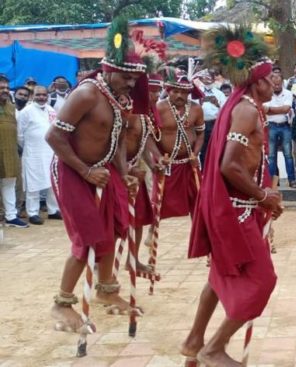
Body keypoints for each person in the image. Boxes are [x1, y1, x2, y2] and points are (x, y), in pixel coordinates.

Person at [182, 25, 282, 366]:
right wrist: (262, 196)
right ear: (258, 82)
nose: (276, 83)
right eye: (272, 78)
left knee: (219, 275)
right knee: (263, 281)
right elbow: (229, 166)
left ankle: (194, 340)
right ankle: (213, 348)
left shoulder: (245, 106)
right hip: (237, 209)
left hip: (240, 206)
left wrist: (262, 197)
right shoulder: (247, 110)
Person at [47, 18, 151, 332]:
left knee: (115, 229)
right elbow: (53, 137)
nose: (131, 84)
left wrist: (125, 171)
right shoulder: (87, 95)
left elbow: (117, 140)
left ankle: (107, 291)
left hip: (102, 172)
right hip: (73, 171)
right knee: (88, 240)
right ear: (107, 69)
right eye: (126, 77)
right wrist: (86, 171)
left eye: (134, 79)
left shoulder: (119, 100)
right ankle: (61, 305)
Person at [125, 73, 165, 278]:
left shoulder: (144, 113)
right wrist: (126, 170)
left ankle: (133, 259)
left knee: (139, 219)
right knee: (116, 224)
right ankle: (100, 266)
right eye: (152, 90)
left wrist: (154, 163)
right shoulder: (126, 110)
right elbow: (112, 144)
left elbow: (143, 142)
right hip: (118, 173)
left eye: (159, 90)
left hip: (135, 173)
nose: (156, 94)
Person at [154, 67, 205, 220]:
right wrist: (157, 157)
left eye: (183, 92)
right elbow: (149, 136)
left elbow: (200, 133)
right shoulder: (159, 108)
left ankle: (200, 238)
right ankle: (154, 236)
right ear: (168, 90)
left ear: (189, 93)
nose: (179, 95)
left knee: (198, 204)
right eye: (175, 91)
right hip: (168, 165)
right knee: (160, 206)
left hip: (190, 165)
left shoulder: (196, 109)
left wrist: (195, 154)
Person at [16, 85, 61, 225]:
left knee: (52, 183)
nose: (41, 97)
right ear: (32, 96)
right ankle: (33, 212)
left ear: (47, 96)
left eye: (44, 95)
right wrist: (30, 147)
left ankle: (53, 210)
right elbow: (19, 135)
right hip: (33, 153)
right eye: (38, 95)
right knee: (33, 184)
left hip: (50, 152)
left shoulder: (51, 110)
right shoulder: (26, 111)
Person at [0, 74, 27, 227]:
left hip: (9, 152)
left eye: (6, 88)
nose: (4, 90)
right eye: (1, 88)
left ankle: (11, 216)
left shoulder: (11, 107)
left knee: (9, 182)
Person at [266, 73, 296, 186]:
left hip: (285, 126)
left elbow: (286, 109)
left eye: (278, 84)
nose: (276, 86)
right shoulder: (266, 94)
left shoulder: (288, 94)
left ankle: (292, 180)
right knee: (271, 156)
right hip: (270, 126)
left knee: (288, 155)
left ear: (282, 83)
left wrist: (271, 109)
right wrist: (280, 109)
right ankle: (272, 182)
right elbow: (265, 110)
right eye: (274, 84)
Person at [196, 69, 227, 166]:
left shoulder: (219, 94)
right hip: (200, 124)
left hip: (215, 123)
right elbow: (192, 107)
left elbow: (225, 110)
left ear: (214, 79)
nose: (207, 79)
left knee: (215, 147)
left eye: (210, 77)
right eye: (205, 77)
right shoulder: (196, 93)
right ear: (201, 78)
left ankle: (214, 169)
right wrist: (201, 102)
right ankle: (204, 172)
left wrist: (217, 104)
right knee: (203, 149)